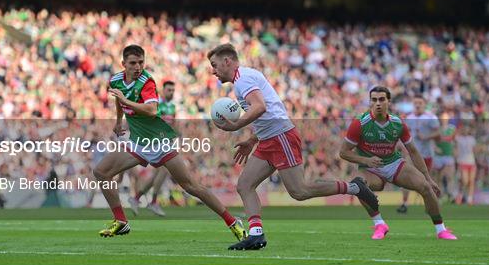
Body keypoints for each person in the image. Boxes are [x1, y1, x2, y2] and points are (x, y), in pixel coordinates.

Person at [207, 43, 378, 250]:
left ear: (227, 61)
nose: (213, 71)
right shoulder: (243, 79)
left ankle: (355, 187)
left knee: (300, 191)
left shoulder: (243, 81)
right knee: (245, 185)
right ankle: (256, 234)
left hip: (281, 137)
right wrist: (252, 140)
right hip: (268, 138)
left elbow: (261, 107)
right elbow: (268, 110)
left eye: (215, 65)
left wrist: (236, 125)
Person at [94, 44, 246, 242]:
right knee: (101, 172)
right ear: (123, 64)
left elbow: (150, 110)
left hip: (159, 141)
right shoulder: (115, 80)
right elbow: (118, 100)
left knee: (191, 186)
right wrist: (117, 121)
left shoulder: (146, 81)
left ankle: (233, 222)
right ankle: (121, 221)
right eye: (133, 63)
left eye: (141, 62)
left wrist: (125, 101)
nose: (138, 66)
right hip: (138, 142)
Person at [339, 86, 457, 240]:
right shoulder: (359, 123)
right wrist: (366, 160)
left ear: (389, 101)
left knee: (426, 188)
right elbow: (343, 152)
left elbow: (413, 151)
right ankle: (379, 224)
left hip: (394, 164)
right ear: (370, 102)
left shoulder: (398, 123)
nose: (378, 103)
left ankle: (441, 230)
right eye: (374, 100)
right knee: (358, 185)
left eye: (381, 99)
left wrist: (427, 177)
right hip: (370, 168)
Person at [128, 81, 176, 217]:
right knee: (165, 169)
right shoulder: (156, 104)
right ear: (163, 90)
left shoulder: (172, 107)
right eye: (169, 90)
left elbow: (173, 124)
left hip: (166, 141)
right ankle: (153, 201)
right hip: (155, 141)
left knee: (159, 173)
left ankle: (136, 198)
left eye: (173, 90)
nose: (171, 92)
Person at [397, 95, 440, 213]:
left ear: (424, 104)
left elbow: (438, 133)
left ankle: (431, 204)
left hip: (427, 154)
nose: (417, 105)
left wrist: (426, 137)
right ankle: (404, 203)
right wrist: (402, 145)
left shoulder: (431, 117)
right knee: (405, 178)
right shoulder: (409, 117)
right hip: (412, 154)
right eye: (415, 102)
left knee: (426, 180)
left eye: (420, 103)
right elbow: (404, 134)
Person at [434, 113, 457, 202]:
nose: (444, 119)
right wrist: (435, 148)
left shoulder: (452, 128)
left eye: (446, 118)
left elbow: (455, 140)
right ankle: (440, 195)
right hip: (438, 156)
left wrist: (455, 150)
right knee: (438, 177)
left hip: (448, 155)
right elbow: (433, 141)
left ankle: (451, 195)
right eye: (442, 118)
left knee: (449, 176)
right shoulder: (437, 129)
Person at [455, 122, 477, 205]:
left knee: (471, 181)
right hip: (462, 162)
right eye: (464, 128)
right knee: (465, 181)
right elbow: (456, 148)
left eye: (467, 129)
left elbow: (474, 150)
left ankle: (469, 199)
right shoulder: (458, 138)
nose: (465, 130)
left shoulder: (472, 139)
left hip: (471, 162)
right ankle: (460, 196)